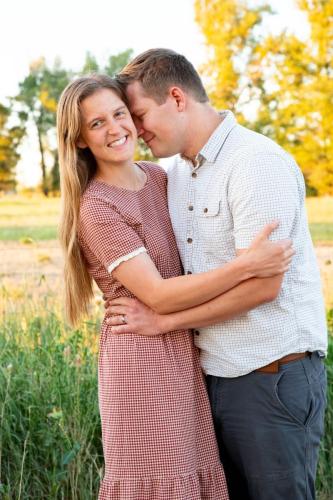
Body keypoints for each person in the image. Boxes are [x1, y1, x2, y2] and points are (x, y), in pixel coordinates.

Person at [105, 49, 328, 500]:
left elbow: (263, 286)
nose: (137, 130)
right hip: (212, 379)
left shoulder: (254, 163)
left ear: (177, 97)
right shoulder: (176, 173)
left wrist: (165, 322)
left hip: (270, 377)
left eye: (141, 115)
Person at [56, 74, 292, 500]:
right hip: (140, 354)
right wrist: (248, 266)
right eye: (96, 124)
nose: (115, 129)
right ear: (78, 141)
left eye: (120, 113)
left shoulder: (159, 178)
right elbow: (159, 294)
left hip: (182, 348)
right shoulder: (98, 206)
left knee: (193, 472)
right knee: (161, 479)